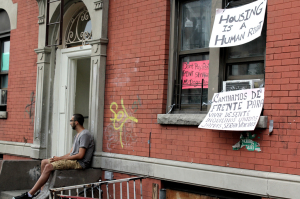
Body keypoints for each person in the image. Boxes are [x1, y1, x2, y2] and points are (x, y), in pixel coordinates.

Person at [13, 114, 95, 199]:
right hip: (74, 160)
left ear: (76, 122)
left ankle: (29, 195)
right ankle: (41, 191)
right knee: (44, 162)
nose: (70, 123)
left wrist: (60, 159)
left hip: (80, 163)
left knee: (48, 166)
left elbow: (80, 155)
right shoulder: (77, 135)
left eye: (71, 121)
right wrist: (57, 158)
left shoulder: (85, 134)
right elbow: (71, 153)